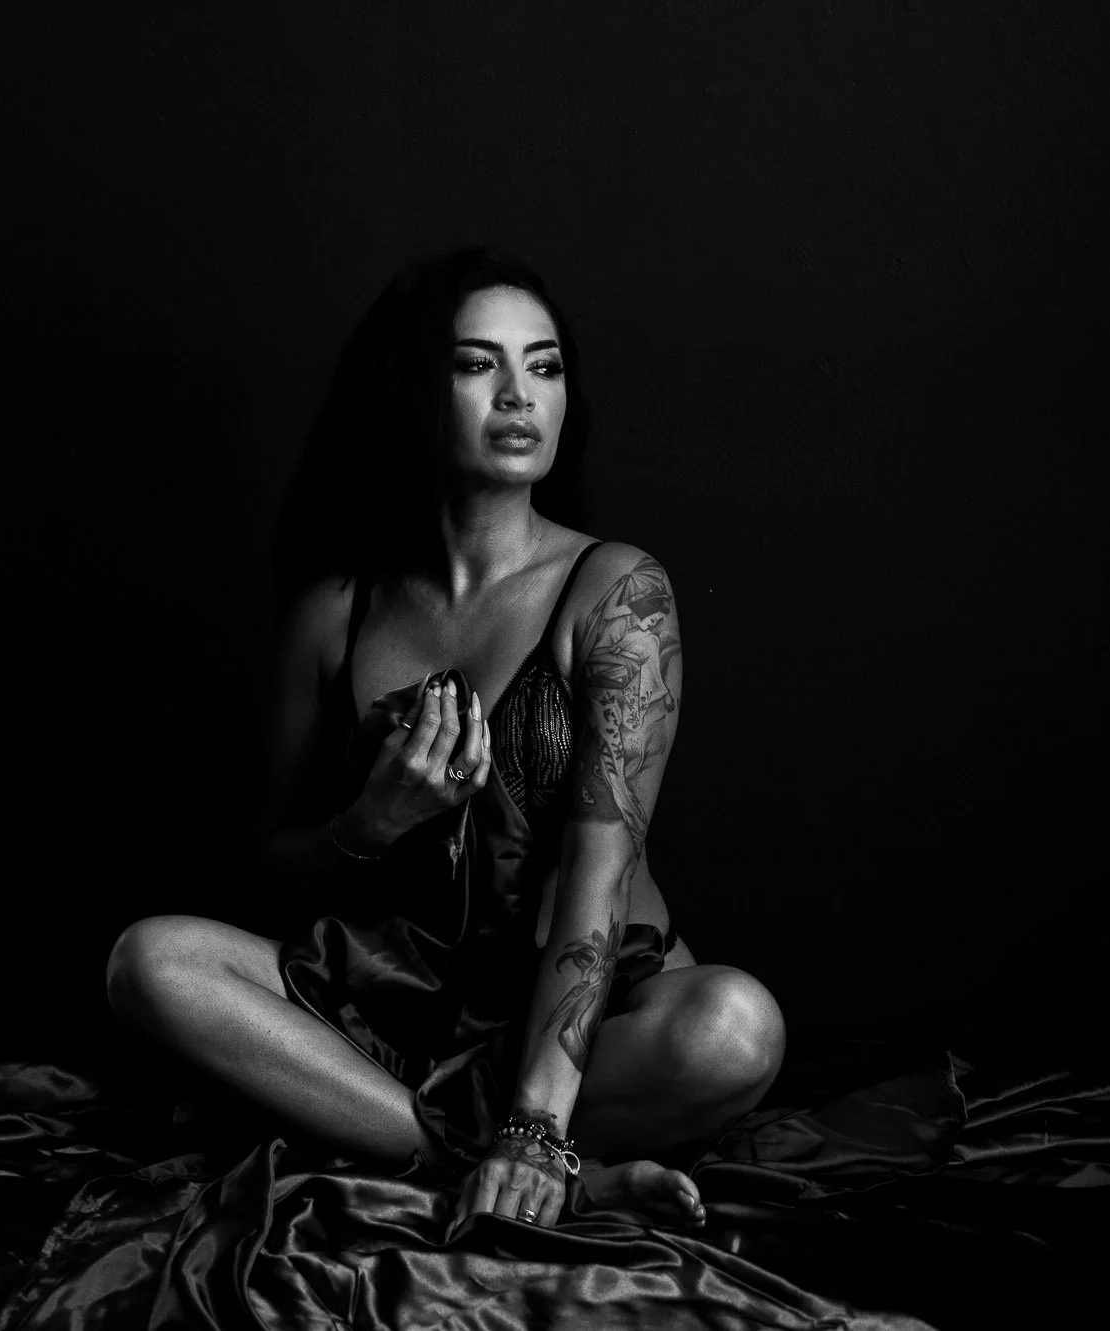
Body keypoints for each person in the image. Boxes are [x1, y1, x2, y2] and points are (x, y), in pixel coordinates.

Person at [105, 247, 786, 1233]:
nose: (520, 394)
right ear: (414, 389)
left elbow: (596, 883)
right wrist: (368, 821)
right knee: (149, 961)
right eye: (478, 365)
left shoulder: (616, 591)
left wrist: (538, 1125)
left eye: (544, 365)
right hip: (384, 1015)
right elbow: (269, 868)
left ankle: (474, 1145)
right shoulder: (334, 611)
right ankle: (527, 1172)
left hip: (578, 1019)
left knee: (734, 1026)